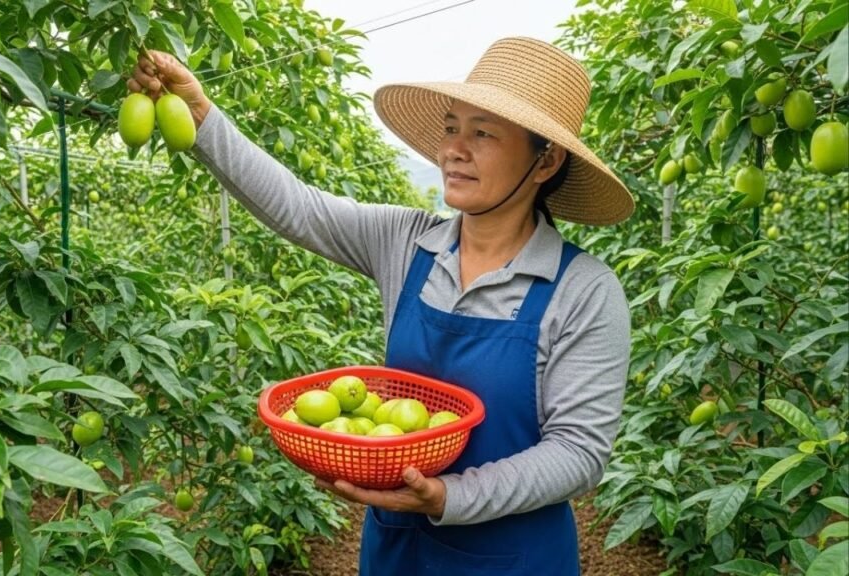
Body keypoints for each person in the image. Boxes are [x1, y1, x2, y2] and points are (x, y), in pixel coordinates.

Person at [129, 36, 633, 575]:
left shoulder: (583, 290)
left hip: (514, 556)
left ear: (545, 160)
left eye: (483, 133)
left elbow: (579, 453)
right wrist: (201, 116)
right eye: (451, 128)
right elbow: (298, 207)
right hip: (397, 548)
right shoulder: (406, 242)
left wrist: (448, 496)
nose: (453, 150)